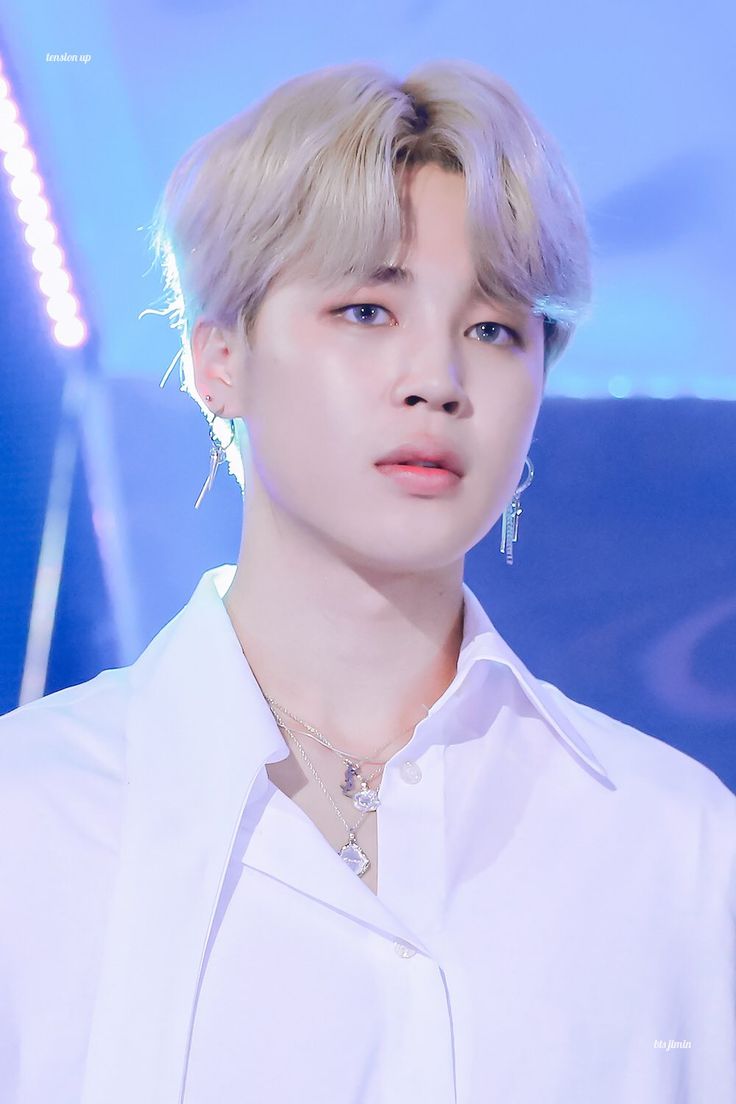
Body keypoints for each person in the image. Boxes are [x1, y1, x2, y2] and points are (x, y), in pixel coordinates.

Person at [0, 59, 734, 1104]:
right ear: (220, 358)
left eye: (491, 329)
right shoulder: (30, 820)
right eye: (365, 311)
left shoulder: (674, 847)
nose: (435, 379)